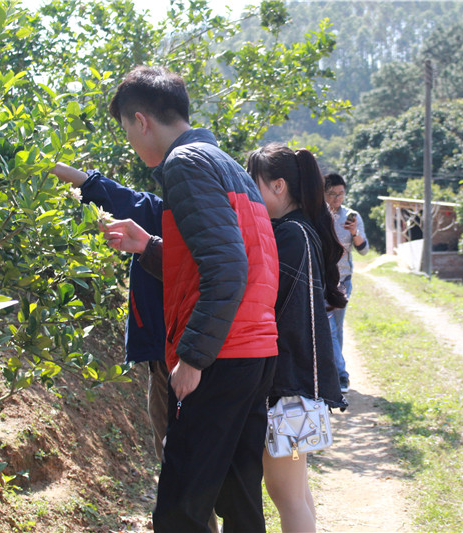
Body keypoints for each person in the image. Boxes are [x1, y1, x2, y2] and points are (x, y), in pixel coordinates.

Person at [100, 65, 279, 532]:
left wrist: (194, 357)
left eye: (126, 130)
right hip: (252, 350)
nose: (132, 145)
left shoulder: (183, 164)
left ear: (141, 120)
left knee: (181, 507)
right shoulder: (223, 162)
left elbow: (228, 268)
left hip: (220, 352)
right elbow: (224, 257)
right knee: (239, 498)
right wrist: (150, 247)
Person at [246, 144, 347, 532]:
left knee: (286, 494)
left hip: (287, 385)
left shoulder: (290, 235)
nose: (251, 195)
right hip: (298, 383)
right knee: (295, 491)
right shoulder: (301, 230)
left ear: (278, 186)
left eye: (254, 185)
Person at [50, 164, 169, 459]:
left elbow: (101, 189)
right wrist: (48, 164)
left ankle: (187, 504)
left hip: (174, 355)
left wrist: (45, 164)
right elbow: (98, 186)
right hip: (207, 351)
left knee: (175, 452)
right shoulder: (223, 219)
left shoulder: (159, 213)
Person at [323, 172, 368, 393]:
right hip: (322, 282)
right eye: (332, 194)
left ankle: (335, 373)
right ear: (324, 193)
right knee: (330, 329)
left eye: (341, 194)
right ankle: (341, 376)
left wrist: (355, 232)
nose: (337, 199)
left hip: (343, 281)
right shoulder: (317, 215)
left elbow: (364, 249)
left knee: (337, 329)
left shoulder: (351, 215)